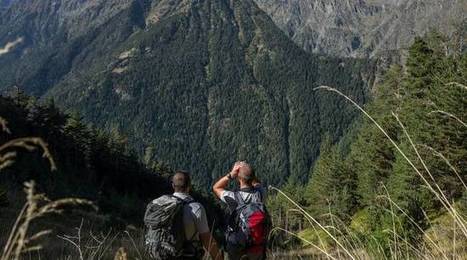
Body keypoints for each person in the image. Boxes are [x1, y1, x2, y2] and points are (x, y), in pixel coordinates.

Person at [145, 171, 223, 260]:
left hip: (158, 253)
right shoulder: (196, 208)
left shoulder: (159, 203)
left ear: (173, 185)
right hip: (185, 255)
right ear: (189, 186)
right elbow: (206, 238)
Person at [213, 162, 269, 260]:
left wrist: (230, 175)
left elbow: (216, 188)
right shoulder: (261, 194)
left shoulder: (233, 198)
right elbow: (257, 184)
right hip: (257, 247)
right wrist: (249, 172)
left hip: (237, 248)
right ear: (252, 178)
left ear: (239, 179)